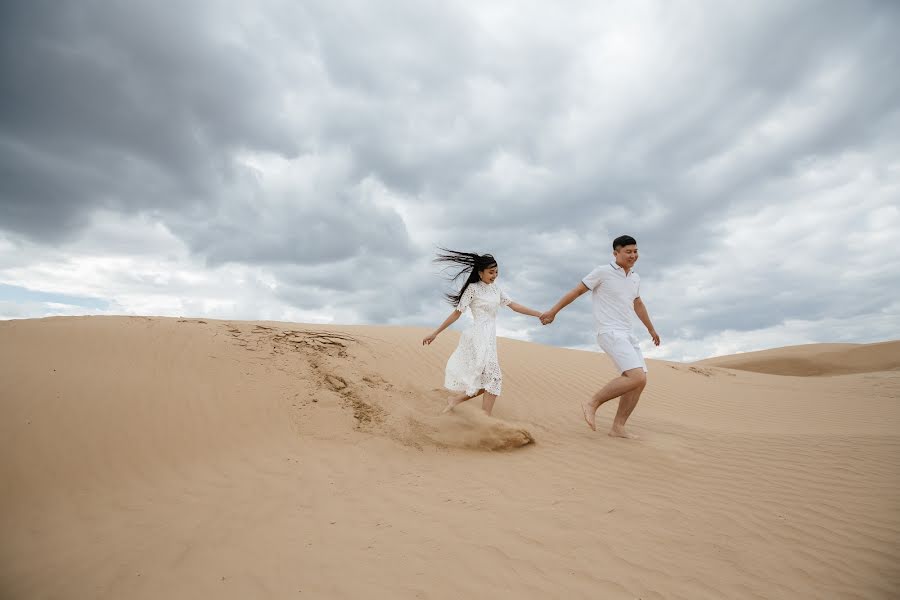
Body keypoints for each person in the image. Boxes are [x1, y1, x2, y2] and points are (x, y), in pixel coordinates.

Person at [540, 235, 660, 438]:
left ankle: (618, 427)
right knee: (635, 376)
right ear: (616, 253)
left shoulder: (635, 278)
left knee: (640, 381)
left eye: (635, 251)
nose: (633, 255)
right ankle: (592, 403)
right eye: (628, 251)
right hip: (609, 331)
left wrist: (651, 329)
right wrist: (553, 311)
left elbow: (638, 304)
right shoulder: (602, 272)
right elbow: (577, 291)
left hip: (628, 333)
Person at [422, 249, 542, 416]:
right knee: (494, 378)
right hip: (477, 336)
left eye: (497, 272)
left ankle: (459, 402)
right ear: (480, 273)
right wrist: (435, 333)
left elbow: (514, 306)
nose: (494, 276)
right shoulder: (473, 289)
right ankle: (485, 418)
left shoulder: (496, 290)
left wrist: (539, 314)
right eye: (491, 272)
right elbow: (457, 313)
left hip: (489, 338)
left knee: (488, 379)